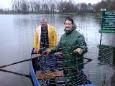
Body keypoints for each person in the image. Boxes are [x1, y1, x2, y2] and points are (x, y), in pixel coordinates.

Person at [46, 17, 92, 86]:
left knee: (69, 82)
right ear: (64, 24)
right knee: (67, 78)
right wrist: (50, 50)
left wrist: (81, 49)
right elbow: (58, 47)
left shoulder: (78, 35)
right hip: (65, 63)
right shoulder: (63, 36)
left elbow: (84, 47)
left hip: (74, 64)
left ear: (72, 25)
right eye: (66, 24)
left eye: (69, 24)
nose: (67, 25)